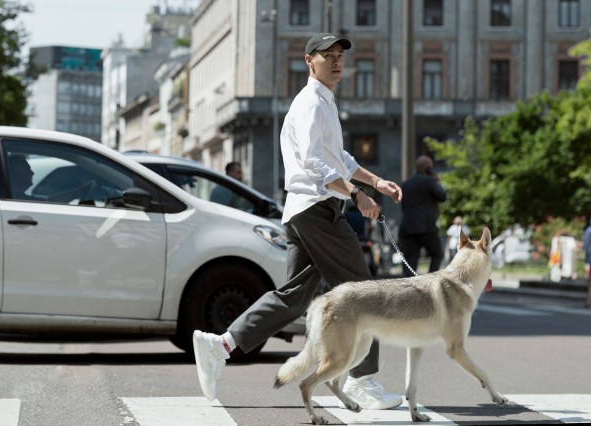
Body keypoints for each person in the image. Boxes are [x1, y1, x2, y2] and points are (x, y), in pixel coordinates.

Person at [192, 32, 404, 410]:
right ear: (309, 60)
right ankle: (361, 379)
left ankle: (220, 345)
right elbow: (313, 161)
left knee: (293, 297)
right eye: (328, 55)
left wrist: (375, 182)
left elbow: (337, 156)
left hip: (303, 211)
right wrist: (356, 194)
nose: (337, 61)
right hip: (318, 209)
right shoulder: (310, 103)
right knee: (363, 292)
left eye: (340, 55)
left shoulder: (323, 101)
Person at [398, 155, 447, 276]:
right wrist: (437, 181)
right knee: (437, 253)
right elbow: (442, 196)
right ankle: (431, 282)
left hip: (408, 227)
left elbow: (403, 206)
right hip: (426, 226)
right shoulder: (430, 181)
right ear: (428, 168)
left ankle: (409, 289)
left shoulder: (405, 184)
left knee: (410, 260)